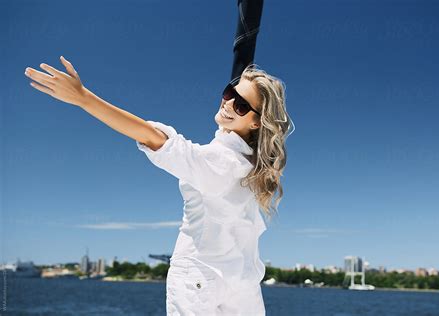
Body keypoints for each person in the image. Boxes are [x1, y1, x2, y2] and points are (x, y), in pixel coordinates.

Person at [24, 57, 294, 315]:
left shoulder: (218, 162)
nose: (228, 103)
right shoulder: (253, 167)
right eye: (228, 93)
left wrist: (83, 98)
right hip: (242, 283)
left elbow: (153, 138)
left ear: (257, 121)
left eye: (241, 106)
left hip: (200, 277)